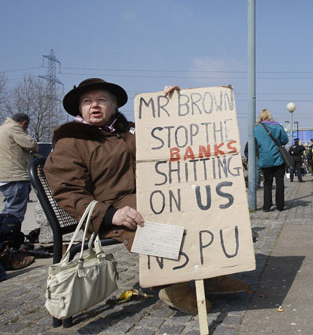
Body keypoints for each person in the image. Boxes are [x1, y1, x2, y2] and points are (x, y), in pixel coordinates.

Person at [43, 78, 250, 315]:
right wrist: (112, 214)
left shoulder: (129, 131)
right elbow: (69, 192)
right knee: (153, 224)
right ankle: (174, 286)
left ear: (114, 106)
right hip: (109, 212)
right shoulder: (71, 142)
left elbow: (168, 135)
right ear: (80, 108)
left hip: (150, 198)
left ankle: (212, 274)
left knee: (195, 207)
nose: (94, 106)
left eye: (101, 100)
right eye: (87, 101)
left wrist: (170, 104)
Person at [0, 113, 38, 271]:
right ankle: (10, 252)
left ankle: (6, 247)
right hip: (15, 175)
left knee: (8, 210)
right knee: (14, 213)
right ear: (24, 123)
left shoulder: (2, 128)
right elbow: (30, 144)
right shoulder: (14, 128)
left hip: (5, 175)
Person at [253, 109, 288, 212]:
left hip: (264, 160)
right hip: (278, 159)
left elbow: (253, 142)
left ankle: (266, 206)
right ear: (270, 116)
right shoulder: (277, 126)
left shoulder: (256, 128)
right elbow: (285, 140)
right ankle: (280, 205)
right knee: (279, 183)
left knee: (267, 183)